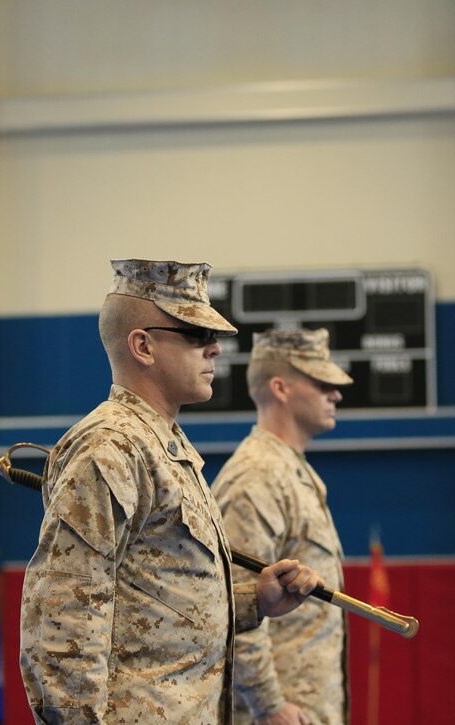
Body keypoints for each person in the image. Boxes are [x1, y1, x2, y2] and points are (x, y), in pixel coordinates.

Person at [19, 259, 324, 724]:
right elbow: (63, 624)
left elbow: (161, 600)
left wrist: (253, 602)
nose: (215, 350)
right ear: (143, 345)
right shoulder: (111, 448)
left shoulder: (165, 444)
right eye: (197, 336)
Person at [211, 328, 353, 725]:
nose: (336, 394)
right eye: (322, 383)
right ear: (280, 388)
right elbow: (233, 600)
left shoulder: (291, 472)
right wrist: (268, 704)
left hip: (306, 708)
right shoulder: (257, 477)